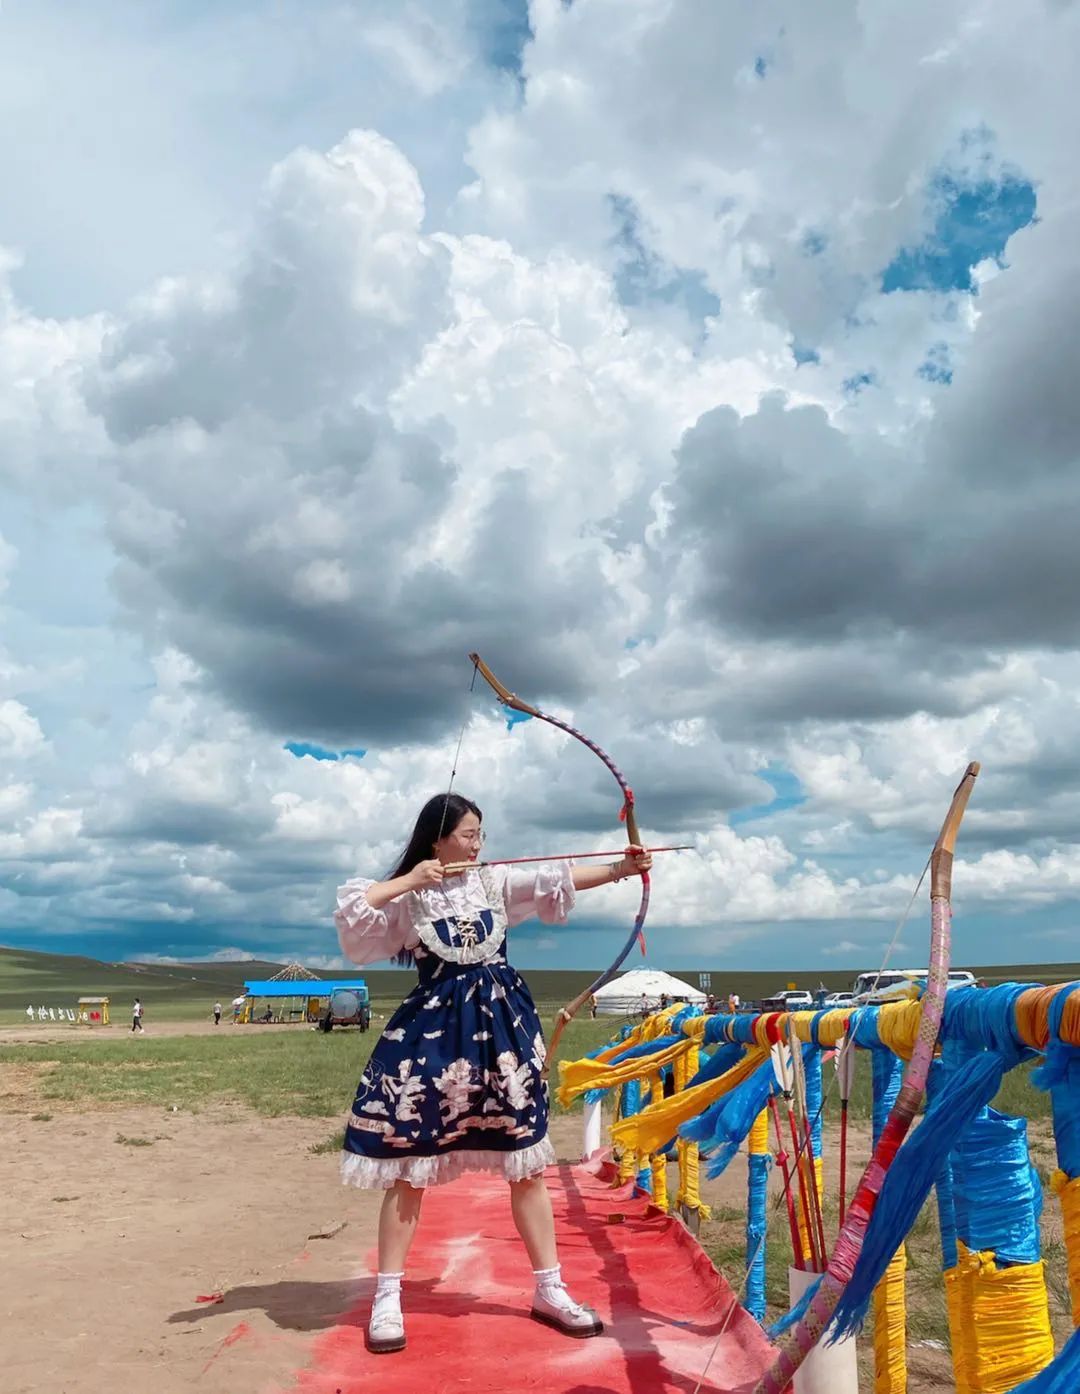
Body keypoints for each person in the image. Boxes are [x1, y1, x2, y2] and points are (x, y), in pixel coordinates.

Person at [334, 792, 651, 1355]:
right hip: (434, 1036)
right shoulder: (411, 900)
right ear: (438, 839)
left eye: (482, 834)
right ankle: (388, 1297)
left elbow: (560, 878)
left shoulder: (494, 885)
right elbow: (357, 913)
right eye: (469, 834)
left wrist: (624, 868)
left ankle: (550, 1289)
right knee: (412, 1164)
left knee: (524, 1160)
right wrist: (412, 879)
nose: (479, 844)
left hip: (502, 1033)